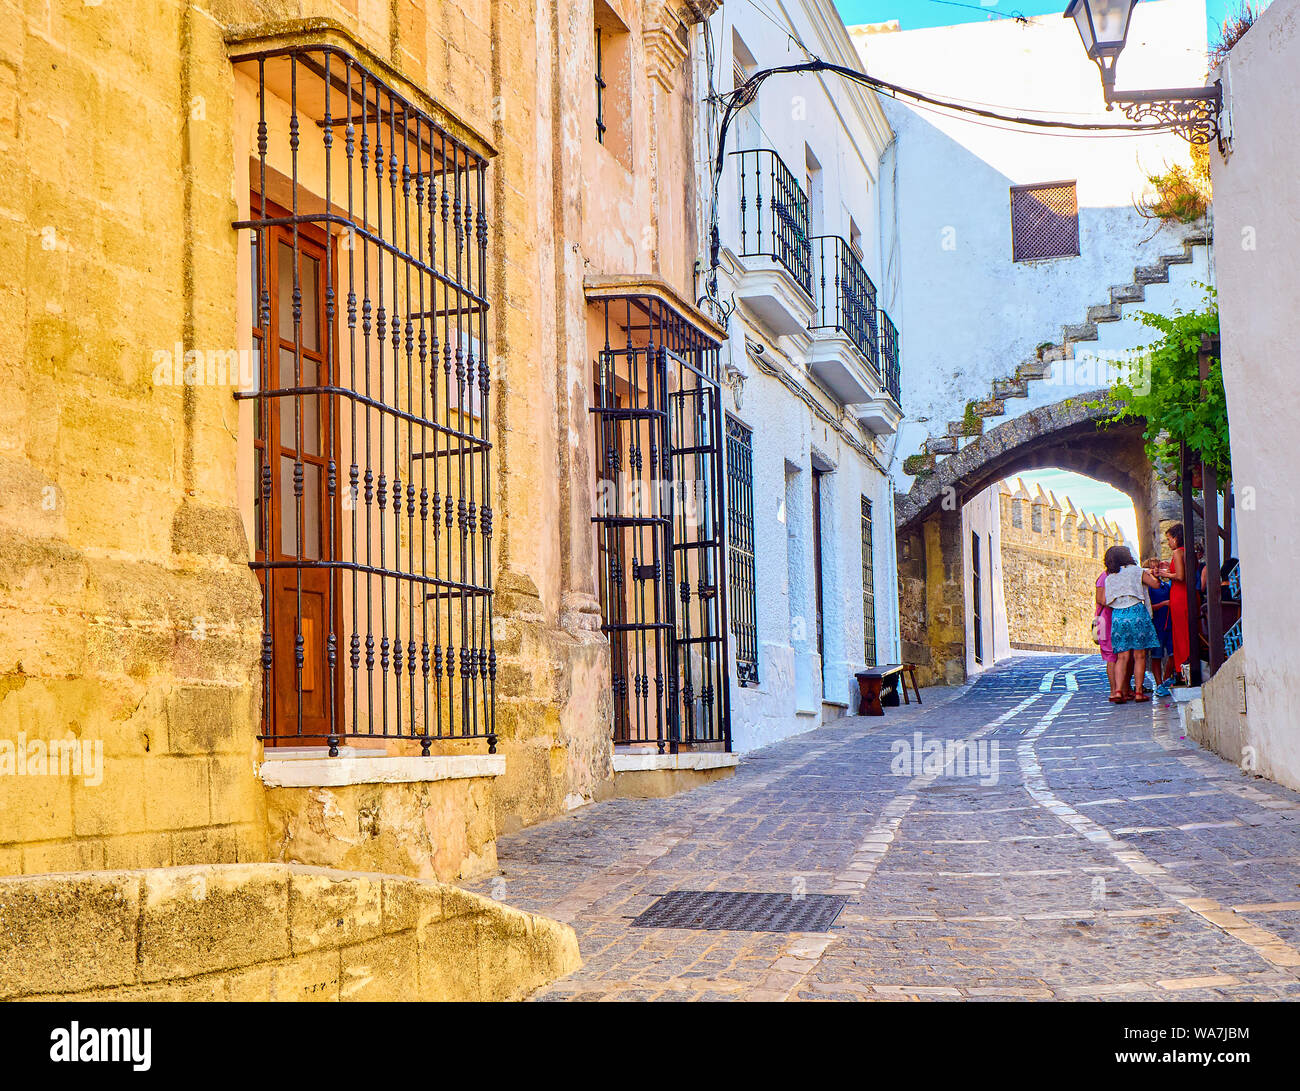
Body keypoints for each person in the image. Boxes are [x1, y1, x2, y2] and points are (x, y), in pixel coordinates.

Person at [1097, 545, 1162, 703]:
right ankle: (1139, 692)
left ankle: (1118, 691)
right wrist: (1151, 575)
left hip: (1118, 616)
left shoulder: (1110, 577)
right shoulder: (1136, 571)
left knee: (1122, 657)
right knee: (1139, 656)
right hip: (1136, 612)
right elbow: (1155, 585)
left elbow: (1105, 600)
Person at [1159, 523, 1198, 683]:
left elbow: (1181, 576)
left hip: (1179, 594)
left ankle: (1183, 670)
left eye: (1169, 539)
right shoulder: (1189, 552)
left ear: (1176, 538)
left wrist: (1166, 574)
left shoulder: (1177, 553)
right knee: (1189, 631)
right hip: (1189, 594)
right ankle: (1188, 667)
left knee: (1181, 634)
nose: (1168, 543)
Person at [1145, 557, 1174, 696]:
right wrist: (1164, 604)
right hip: (1156, 625)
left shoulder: (1166, 586)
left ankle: (1166, 678)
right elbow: (1148, 607)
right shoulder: (1148, 589)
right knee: (1156, 656)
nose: (1156, 570)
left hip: (1169, 624)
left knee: (1173, 654)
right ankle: (1159, 684)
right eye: (1152, 568)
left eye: (1158, 567)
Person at [1094, 568, 1120, 697]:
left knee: (1118, 655)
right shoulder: (1104, 576)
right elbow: (1101, 599)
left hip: (1112, 618)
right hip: (1105, 620)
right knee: (1111, 656)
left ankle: (1120, 689)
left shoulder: (1114, 575)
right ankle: (1114, 690)